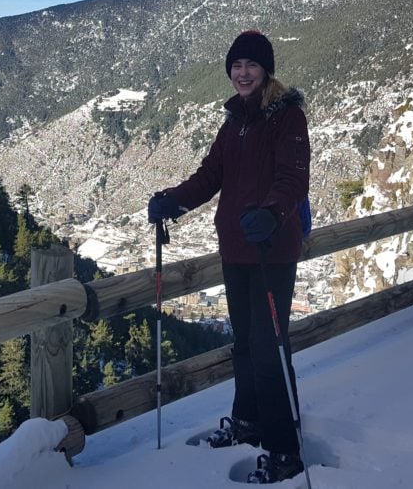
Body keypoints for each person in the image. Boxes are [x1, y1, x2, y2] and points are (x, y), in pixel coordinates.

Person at [147, 30, 311, 484]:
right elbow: (209, 176)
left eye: (251, 65)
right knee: (244, 344)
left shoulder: (287, 118)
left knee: (269, 349)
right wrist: (172, 201)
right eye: (236, 66)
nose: (242, 73)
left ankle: (284, 450)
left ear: (265, 71)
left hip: (272, 250)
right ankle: (249, 422)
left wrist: (272, 213)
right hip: (237, 249)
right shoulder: (233, 123)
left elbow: (294, 179)